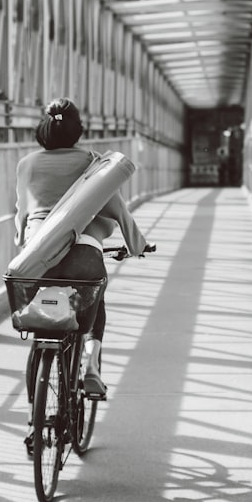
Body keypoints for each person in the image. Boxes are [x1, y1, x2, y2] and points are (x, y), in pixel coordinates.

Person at [13, 97, 148, 400]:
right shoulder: (91, 161)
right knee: (95, 299)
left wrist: (21, 240)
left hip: (35, 255)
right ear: (78, 131)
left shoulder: (26, 165)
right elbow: (116, 208)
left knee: (44, 312)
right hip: (82, 253)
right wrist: (136, 244)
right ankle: (91, 367)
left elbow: (21, 212)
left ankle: (37, 420)